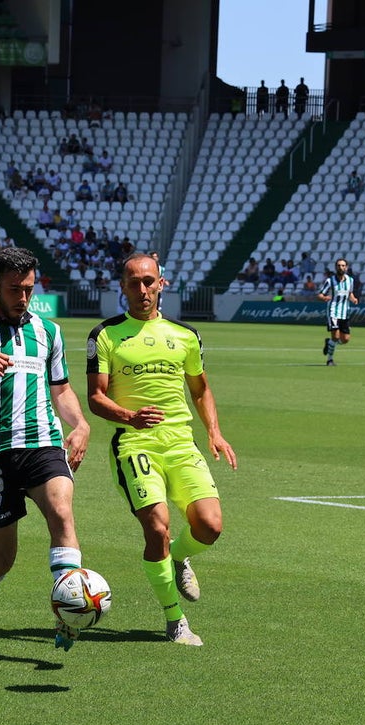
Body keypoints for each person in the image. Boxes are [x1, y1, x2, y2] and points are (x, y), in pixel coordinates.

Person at [0, 247, 92, 652]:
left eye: (28, 289)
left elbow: (61, 389)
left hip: (42, 442)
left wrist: (80, 424)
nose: (22, 297)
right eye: (13, 289)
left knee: (62, 513)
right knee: (2, 556)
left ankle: (69, 617)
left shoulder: (49, 332)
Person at [86, 254, 237, 647]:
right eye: (133, 282)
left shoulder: (185, 335)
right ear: (122, 285)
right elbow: (95, 398)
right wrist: (128, 416)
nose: (141, 290)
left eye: (148, 282)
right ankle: (175, 619)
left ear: (161, 284)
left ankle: (179, 558)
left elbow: (200, 388)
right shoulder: (104, 335)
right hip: (134, 443)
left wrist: (215, 433)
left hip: (180, 442)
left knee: (210, 525)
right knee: (157, 528)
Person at [318, 257, 359, 366]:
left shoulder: (350, 280)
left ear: (346, 267)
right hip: (333, 311)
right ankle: (329, 359)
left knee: (345, 339)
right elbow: (320, 294)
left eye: (343, 265)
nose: (341, 267)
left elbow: (350, 293)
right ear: (336, 267)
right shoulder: (330, 281)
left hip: (345, 312)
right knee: (335, 336)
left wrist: (353, 299)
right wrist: (324, 298)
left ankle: (329, 343)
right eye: (339, 265)